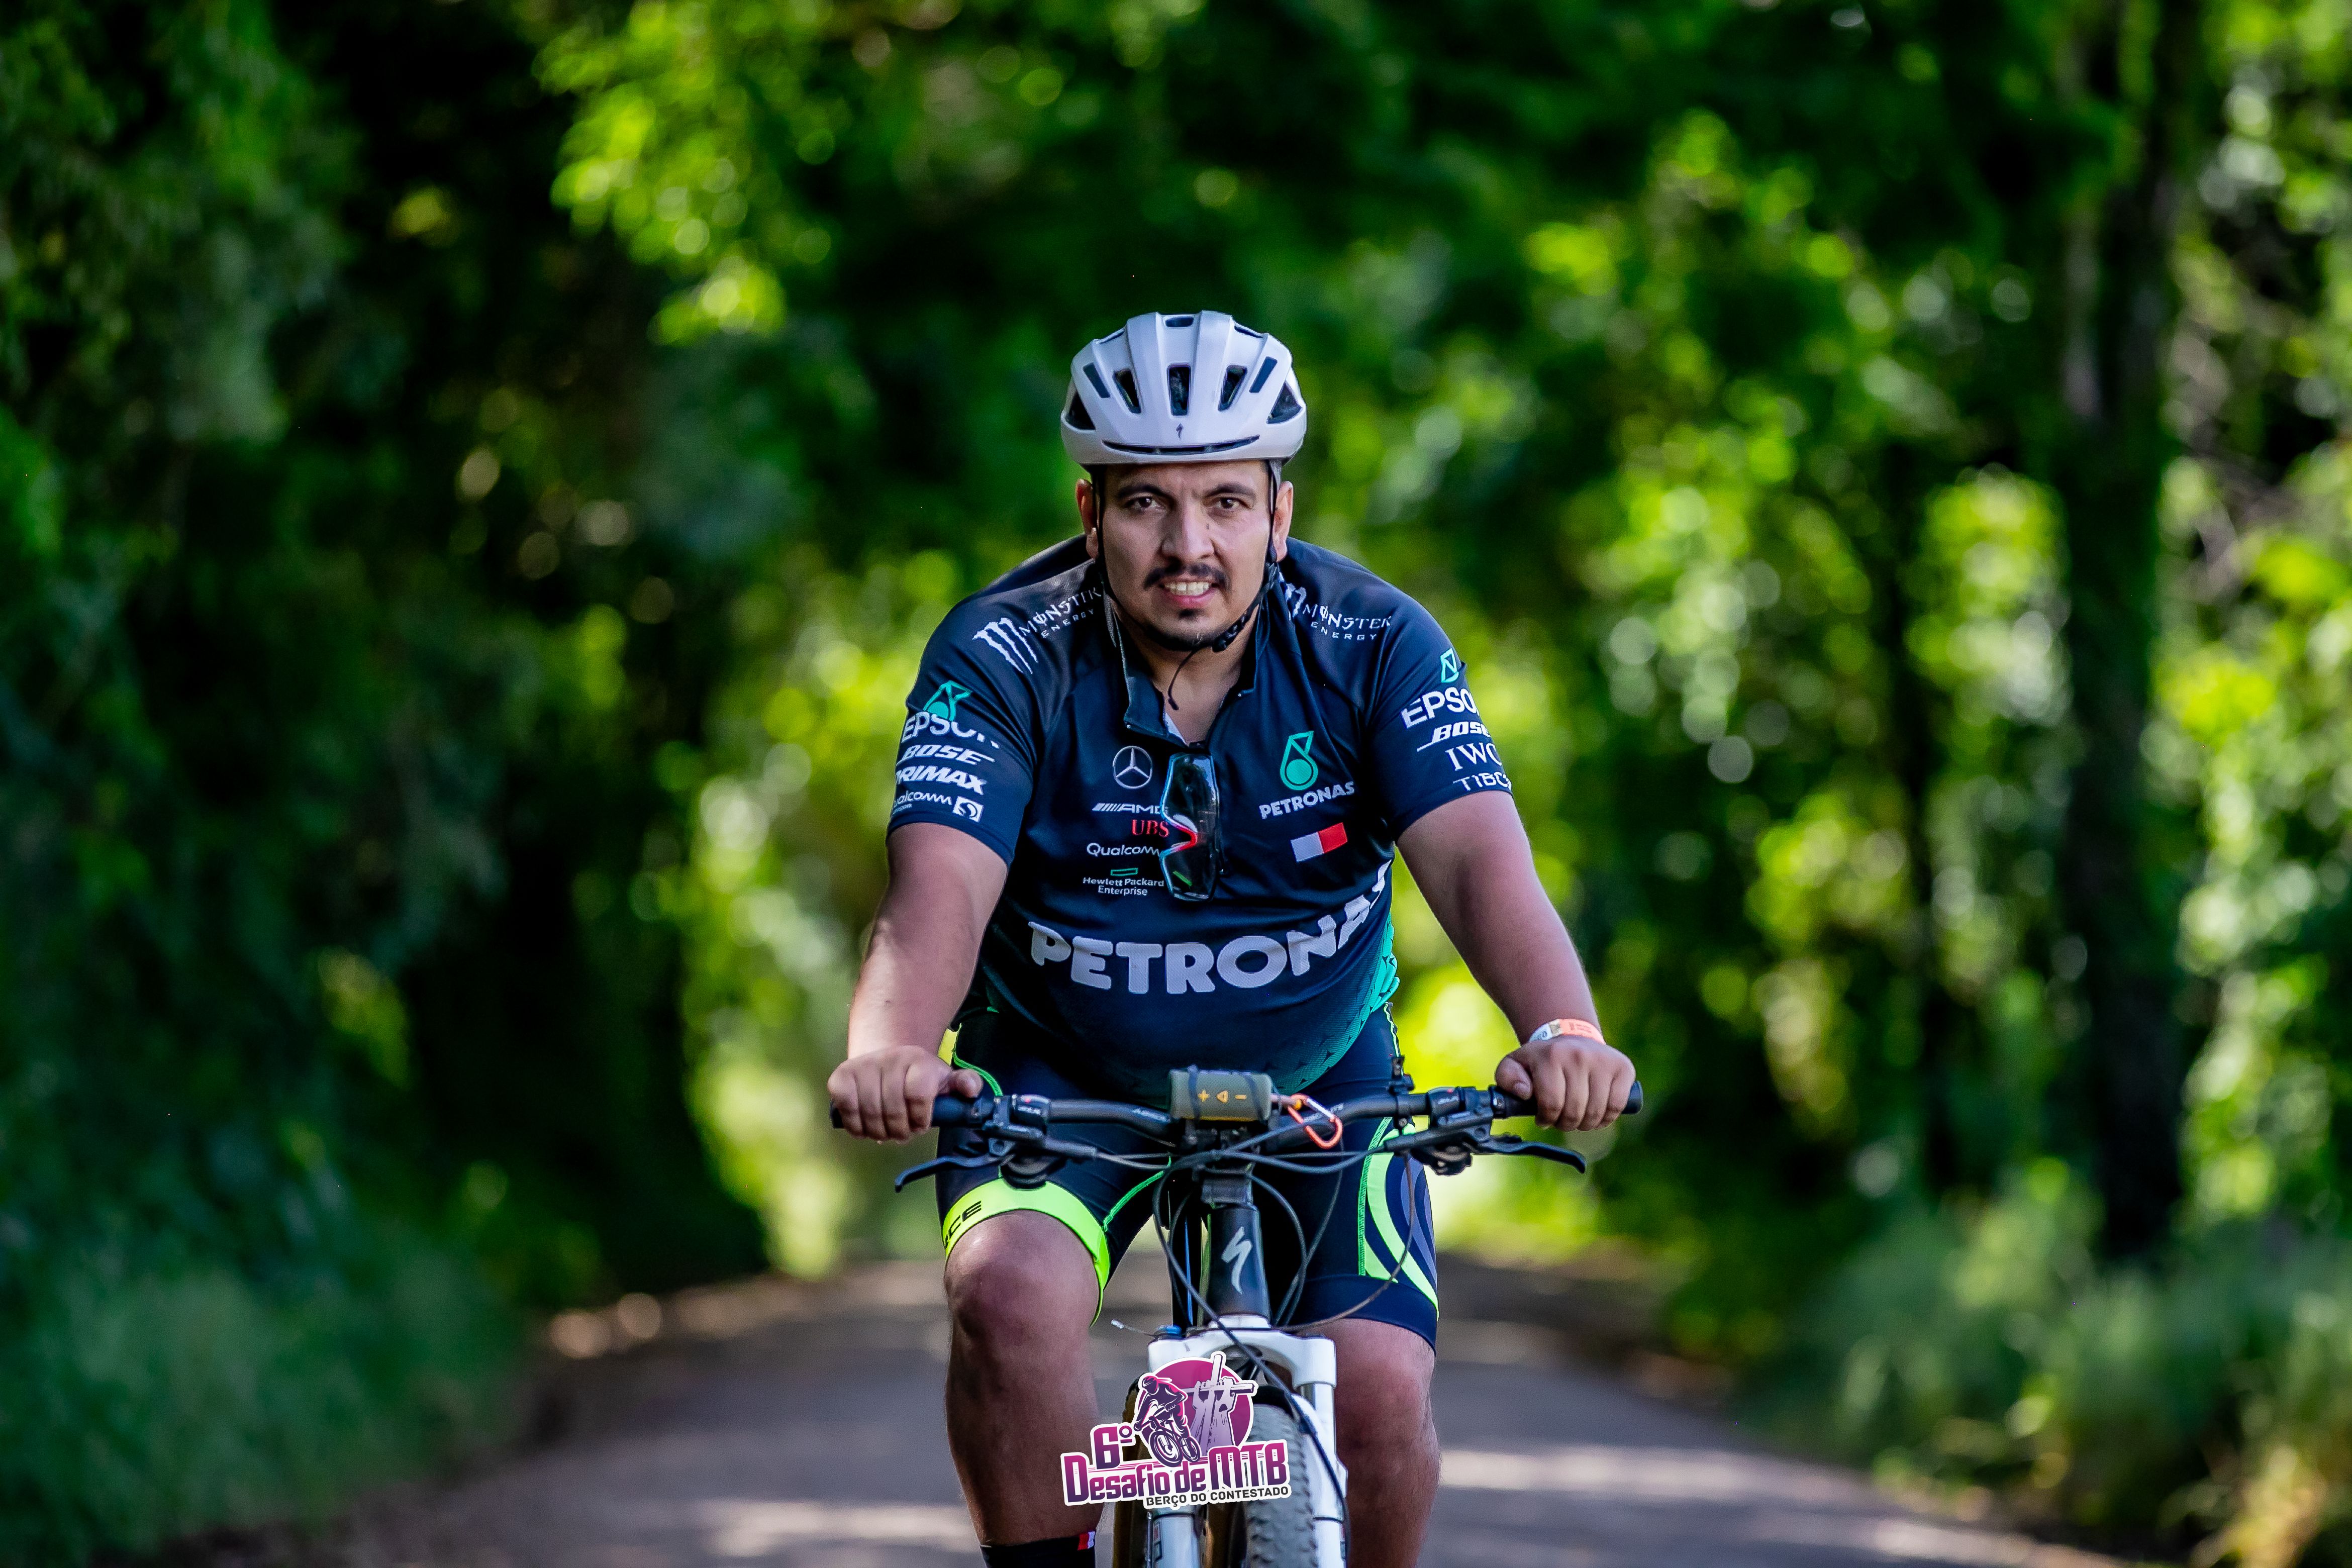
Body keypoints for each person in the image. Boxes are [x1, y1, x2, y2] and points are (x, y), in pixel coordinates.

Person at [829, 311, 1635, 1568]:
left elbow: (1481, 862)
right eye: (1147, 503)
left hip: (1320, 1078)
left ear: (1280, 512)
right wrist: (890, 1045)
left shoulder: (1377, 644)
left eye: (1225, 502)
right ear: (1090, 513)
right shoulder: (1000, 655)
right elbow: (935, 888)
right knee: (1007, 1298)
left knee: (1376, 1390)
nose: (1189, 545)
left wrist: (1565, 1027)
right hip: (1058, 1074)